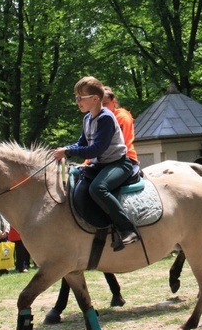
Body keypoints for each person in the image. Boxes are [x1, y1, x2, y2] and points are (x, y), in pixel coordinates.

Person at [52, 76, 140, 251]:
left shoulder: (106, 118)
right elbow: (82, 145)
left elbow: (96, 150)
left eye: (80, 97)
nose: (77, 102)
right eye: (76, 97)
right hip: (101, 165)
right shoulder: (87, 119)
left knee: (98, 188)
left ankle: (127, 229)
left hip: (119, 164)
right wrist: (64, 149)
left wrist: (68, 152)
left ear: (95, 98)